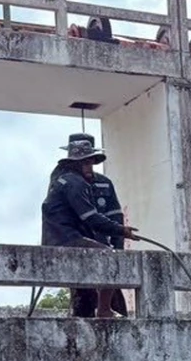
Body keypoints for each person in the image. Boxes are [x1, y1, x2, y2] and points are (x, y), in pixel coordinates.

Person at [41, 133, 134, 318]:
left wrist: (118, 244)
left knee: (112, 288)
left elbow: (114, 215)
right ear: (75, 164)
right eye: (85, 163)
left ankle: (105, 309)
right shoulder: (72, 182)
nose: (89, 168)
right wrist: (121, 231)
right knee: (85, 297)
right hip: (70, 239)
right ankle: (104, 310)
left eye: (91, 163)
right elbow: (90, 218)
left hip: (89, 242)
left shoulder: (97, 182)